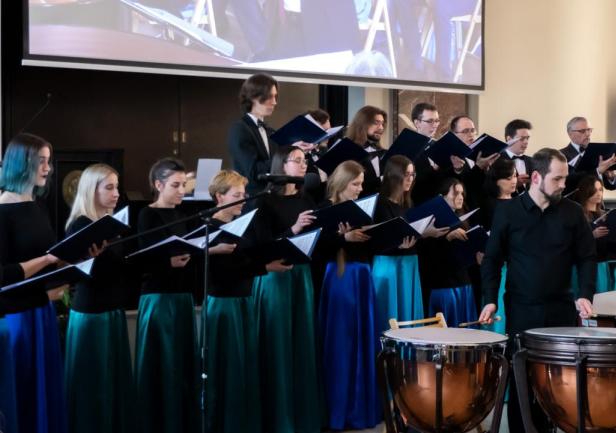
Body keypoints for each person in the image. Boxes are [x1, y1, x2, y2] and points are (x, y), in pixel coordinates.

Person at [479, 148, 596, 433]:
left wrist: (585, 294)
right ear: (535, 177)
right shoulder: (508, 212)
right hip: (522, 310)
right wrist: (490, 300)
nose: (563, 185)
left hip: (561, 310)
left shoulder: (573, 212)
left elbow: (587, 258)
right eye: (557, 179)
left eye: (564, 178)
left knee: (557, 385)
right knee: (522, 381)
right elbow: (492, 259)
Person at [204, 169, 289, 433]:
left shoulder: (241, 224)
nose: (243, 200)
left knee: (244, 366)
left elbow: (247, 258)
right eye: (236, 195)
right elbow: (223, 272)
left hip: (242, 301)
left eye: (244, 194)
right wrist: (264, 267)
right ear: (219, 197)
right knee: (227, 368)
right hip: (223, 304)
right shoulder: (210, 228)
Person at [250, 146, 321, 433]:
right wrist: (293, 230)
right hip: (276, 277)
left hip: (301, 276)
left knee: (302, 344)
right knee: (278, 346)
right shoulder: (265, 202)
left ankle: (303, 418)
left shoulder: (307, 198)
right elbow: (261, 246)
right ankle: (279, 420)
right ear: (282, 165)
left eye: (306, 160)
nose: (304, 165)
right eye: (298, 160)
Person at [0, 133, 67, 433]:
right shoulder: (3, 210)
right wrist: (47, 260)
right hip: (15, 317)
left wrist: (73, 258)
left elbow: (48, 256)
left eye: (48, 161)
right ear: (21, 163)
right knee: (22, 395)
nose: (47, 168)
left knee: (44, 394)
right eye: (41, 161)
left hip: (41, 311)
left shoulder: (37, 206)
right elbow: (3, 274)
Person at [63, 163, 134, 433]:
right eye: (109, 188)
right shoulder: (81, 225)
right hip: (92, 313)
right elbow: (76, 274)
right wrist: (89, 259)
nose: (116, 194)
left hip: (112, 310)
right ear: (91, 190)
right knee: (93, 385)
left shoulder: (110, 223)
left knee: (112, 382)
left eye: (117, 187)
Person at [134, 158, 200, 433]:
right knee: (161, 364)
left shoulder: (183, 214)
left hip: (182, 296)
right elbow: (142, 258)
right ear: (158, 185)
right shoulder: (147, 215)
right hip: (158, 296)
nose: (182, 190)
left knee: (182, 365)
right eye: (175, 185)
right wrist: (167, 262)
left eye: (184, 184)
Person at [317, 160, 380, 430]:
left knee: (363, 340)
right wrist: (343, 239)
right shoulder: (324, 209)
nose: (359, 188)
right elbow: (317, 247)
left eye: (361, 184)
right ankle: (339, 410)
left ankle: (360, 407)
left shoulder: (362, 208)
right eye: (355, 184)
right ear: (342, 183)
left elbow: (371, 242)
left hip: (362, 276)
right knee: (341, 342)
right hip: (339, 278)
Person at [372, 155, 425, 333]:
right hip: (389, 265)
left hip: (409, 263)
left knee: (408, 314)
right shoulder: (380, 203)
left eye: (412, 174)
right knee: (389, 313)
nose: (410, 179)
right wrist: (397, 245)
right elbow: (375, 240)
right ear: (394, 175)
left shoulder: (408, 204)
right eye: (406, 174)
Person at [416, 178, 477, 327]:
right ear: (441, 197)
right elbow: (428, 255)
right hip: (444, 285)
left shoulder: (463, 219)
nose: (460, 197)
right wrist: (447, 238)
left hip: (463, 283)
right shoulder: (431, 221)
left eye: (462, 193)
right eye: (455, 193)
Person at [480, 158, 518, 334]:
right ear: (497, 180)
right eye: (508, 177)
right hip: (499, 263)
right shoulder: (489, 204)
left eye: (515, 176)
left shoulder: (519, 202)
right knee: (499, 306)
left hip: (517, 262)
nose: (513, 181)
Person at [228, 73, 280, 196]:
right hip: (251, 199)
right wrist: (284, 160)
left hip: (271, 198)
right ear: (253, 97)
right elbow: (252, 171)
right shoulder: (240, 129)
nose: (274, 102)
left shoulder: (270, 131)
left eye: (275, 97)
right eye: (269, 97)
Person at [411, 102, 466, 205]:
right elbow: (411, 184)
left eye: (437, 121)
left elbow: (450, 180)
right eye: (430, 121)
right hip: (420, 204)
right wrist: (434, 168)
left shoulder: (442, 145)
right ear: (417, 123)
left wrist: (457, 169)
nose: (435, 125)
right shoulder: (409, 148)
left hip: (445, 204)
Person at [573, 175, 614, 294]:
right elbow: (570, 242)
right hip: (583, 266)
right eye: (594, 190)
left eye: (600, 190)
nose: (598, 194)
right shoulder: (577, 215)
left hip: (603, 264)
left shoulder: (606, 215)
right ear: (586, 191)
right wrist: (592, 236)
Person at [560, 116, 616, 193]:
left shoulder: (598, 152)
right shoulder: (561, 155)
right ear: (570, 134)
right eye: (582, 131)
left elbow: (611, 186)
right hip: (574, 200)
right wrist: (598, 171)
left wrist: (611, 176)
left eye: (589, 130)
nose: (587, 134)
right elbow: (568, 183)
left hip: (598, 200)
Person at [345, 105, 387, 196]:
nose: (381, 128)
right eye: (376, 123)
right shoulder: (348, 151)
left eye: (382, 123)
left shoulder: (384, 152)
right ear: (363, 124)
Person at [501, 119, 532, 193]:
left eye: (527, 138)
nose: (526, 142)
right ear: (509, 139)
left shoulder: (532, 161)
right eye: (522, 138)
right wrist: (515, 184)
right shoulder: (496, 160)